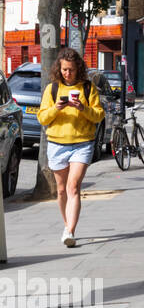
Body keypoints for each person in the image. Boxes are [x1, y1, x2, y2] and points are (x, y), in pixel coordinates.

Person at [36, 48, 105, 248]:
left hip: (82, 143)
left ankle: (71, 231)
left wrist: (82, 108)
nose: (68, 74)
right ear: (59, 69)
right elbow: (42, 118)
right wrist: (56, 108)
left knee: (73, 186)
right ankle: (67, 226)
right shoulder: (53, 89)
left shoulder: (87, 88)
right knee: (60, 190)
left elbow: (98, 115)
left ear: (78, 69)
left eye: (72, 70)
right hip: (57, 144)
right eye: (65, 70)